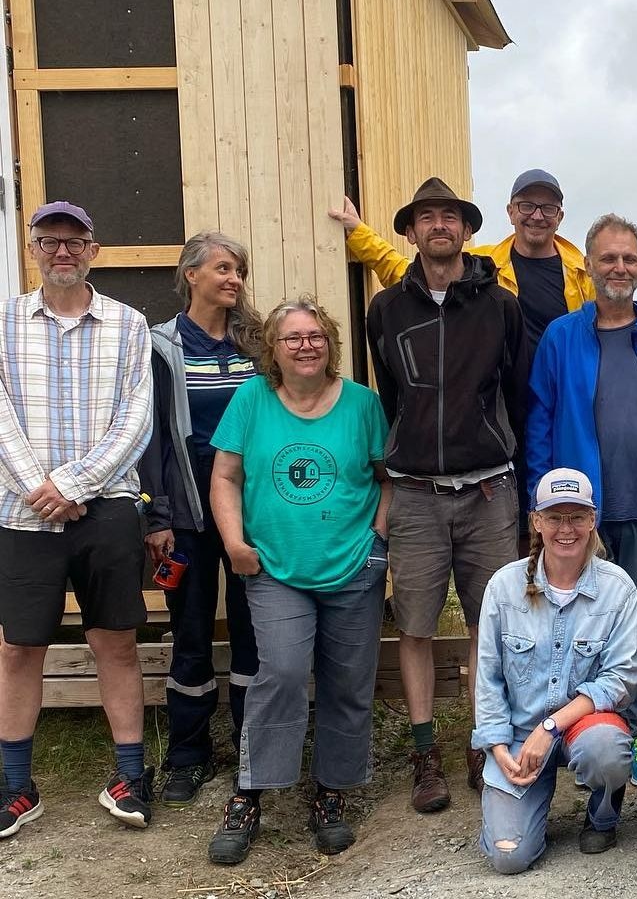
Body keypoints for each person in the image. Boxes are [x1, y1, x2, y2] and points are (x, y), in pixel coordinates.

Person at [204, 297, 390, 865]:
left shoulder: (362, 404)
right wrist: (235, 544)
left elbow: (390, 478)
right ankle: (251, 791)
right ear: (273, 349)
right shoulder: (252, 399)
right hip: (275, 569)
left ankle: (329, 792)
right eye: (292, 338)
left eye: (315, 336)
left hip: (352, 568)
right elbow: (226, 476)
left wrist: (378, 544)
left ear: (330, 343)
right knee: (281, 672)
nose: (306, 345)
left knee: (347, 682)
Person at [366, 177, 529, 811]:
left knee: (494, 624)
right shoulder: (387, 309)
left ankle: (483, 740)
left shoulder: (500, 306)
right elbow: (391, 396)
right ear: (410, 232)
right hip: (415, 496)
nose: (440, 225)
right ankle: (424, 750)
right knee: (415, 627)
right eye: (427, 217)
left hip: (489, 491)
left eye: (451, 216)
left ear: (466, 229)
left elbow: (515, 395)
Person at [526, 214, 637, 789]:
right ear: (589, 266)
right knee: (585, 623)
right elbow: (542, 419)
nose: (619, 268)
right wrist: (542, 497)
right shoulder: (561, 337)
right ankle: (587, 733)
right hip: (583, 512)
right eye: (608, 259)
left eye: (629, 259)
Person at [0, 201, 153, 839]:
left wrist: (71, 484)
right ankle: (15, 787)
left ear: (94, 250)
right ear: (34, 248)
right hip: (21, 509)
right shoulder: (4, 320)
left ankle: (129, 775)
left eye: (75, 241)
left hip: (107, 507)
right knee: (16, 647)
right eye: (49, 240)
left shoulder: (129, 323)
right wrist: (39, 487)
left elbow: (136, 417)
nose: (62, 250)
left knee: (114, 640)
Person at [140, 232, 262, 807]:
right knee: (190, 633)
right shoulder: (159, 346)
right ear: (191, 275)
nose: (234, 278)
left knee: (250, 631)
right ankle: (187, 754)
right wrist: (156, 515)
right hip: (186, 515)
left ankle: (249, 747)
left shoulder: (257, 346)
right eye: (222, 268)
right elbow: (151, 438)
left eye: (239, 270)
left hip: (250, 515)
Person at [472, 469, 637, 872]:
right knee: (508, 858)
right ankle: (520, 813)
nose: (566, 528)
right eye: (554, 517)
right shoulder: (503, 587)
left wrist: (550, 729)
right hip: (517, 734)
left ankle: (603, 814)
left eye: (577, 516)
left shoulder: (619, 589)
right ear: (536, 521)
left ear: (593, 519)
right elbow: (488, 678)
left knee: (607, 752)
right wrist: (496, 746)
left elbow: (620, 680)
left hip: (582, 726)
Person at [331, 168, 593, 351]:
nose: (537, 216)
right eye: (526, 206)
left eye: (548, 208)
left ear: (559, 217)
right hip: (502, 402)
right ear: (511, 212)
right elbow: (411, 274)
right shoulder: (482, 265)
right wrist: (358, 233)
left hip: (560, 401)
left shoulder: (585, 274)